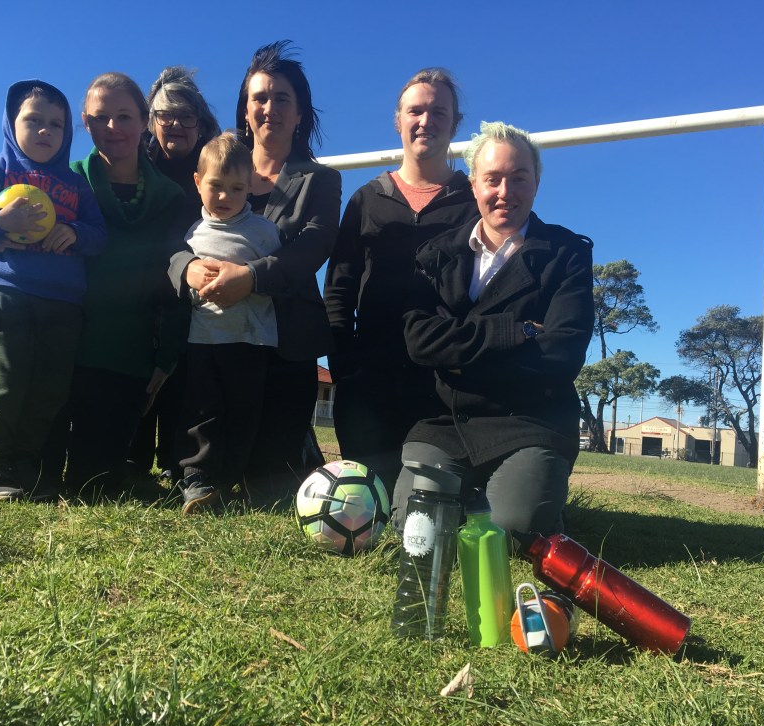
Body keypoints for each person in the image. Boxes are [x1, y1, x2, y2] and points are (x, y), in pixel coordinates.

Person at [392, 121, 595, 539]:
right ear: (473, 184)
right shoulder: (436, 254)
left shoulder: (567, 255)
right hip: (446, 423)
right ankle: (475, 496)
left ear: (536, 183)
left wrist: (457, 354)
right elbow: (420, 341)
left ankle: (531, 499)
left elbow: (562, 354)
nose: (506, 192)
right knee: (416, 528)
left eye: (519, 178)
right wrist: (515, 332)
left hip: (531, 423)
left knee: (513, 529)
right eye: (493, 179)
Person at [170, 41, 341, 504]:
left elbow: (313, 245)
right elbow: (176, 240)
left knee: (266, 481)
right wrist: (187, 270)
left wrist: (249, 278)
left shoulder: (321, 180)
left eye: (282, 98)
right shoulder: (213, 166)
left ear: (300, 112)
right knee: (204, 419)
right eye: (259, 97)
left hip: (283, 345)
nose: (270, 108)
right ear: (245, 109)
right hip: (209, 334)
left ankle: (296, 450)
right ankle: (197, 476)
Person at [324, 68, 477, 496]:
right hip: (369, 384)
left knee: (424, 504)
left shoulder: (474, 201)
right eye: (416, 111)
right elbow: (338, 289)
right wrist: (345, 369)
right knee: (368, 497)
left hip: (442, 389)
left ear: (455, 123)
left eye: (439, 112)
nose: (426, 121)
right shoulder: (367, 199)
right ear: (398, 120)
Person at [0, 80, 106, 501]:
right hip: (9, 291)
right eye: (34, 120)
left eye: (56, 124)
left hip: (64, 301)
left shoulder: (76, 185)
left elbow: (99, 235)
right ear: (12, 123)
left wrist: (74, 232)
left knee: (49, 388)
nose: (45, 130)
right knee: (7, 379)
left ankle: (26, 466)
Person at [51, 72, 188, 498]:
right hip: (60, 352)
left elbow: (176, 285)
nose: (113, 127)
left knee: (93, 484)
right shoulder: (64, 184)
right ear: (85, 123)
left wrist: (165, 359)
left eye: (125, 116)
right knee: (41, 475)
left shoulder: (170, 198)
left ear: (145, 121)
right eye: (100, 117)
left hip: (125, 362)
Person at [168, 132, 282, 512]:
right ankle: (196, 479)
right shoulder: (192, 234)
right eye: (215, 186)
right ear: (198, 182)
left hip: (251, 342)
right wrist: (192, 277)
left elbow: (281, 279)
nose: (224, 196)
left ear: (250, 186)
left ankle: (231, 479)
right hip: (203, 340)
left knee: (244, 412)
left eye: (236, 188)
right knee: (201, 411)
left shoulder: (265, 232)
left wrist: (249, 278)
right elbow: (177, 276)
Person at [126, 66, 220, 481]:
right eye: (166, 115)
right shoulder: (135, 165)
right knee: (141, 375)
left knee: (184, 379)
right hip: (142, 292)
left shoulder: (215, 166)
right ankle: (132, 458)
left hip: (196, 295)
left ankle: (176, 464)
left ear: (200, 121)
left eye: (186, 116)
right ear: (151, 120)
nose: (176, 124)